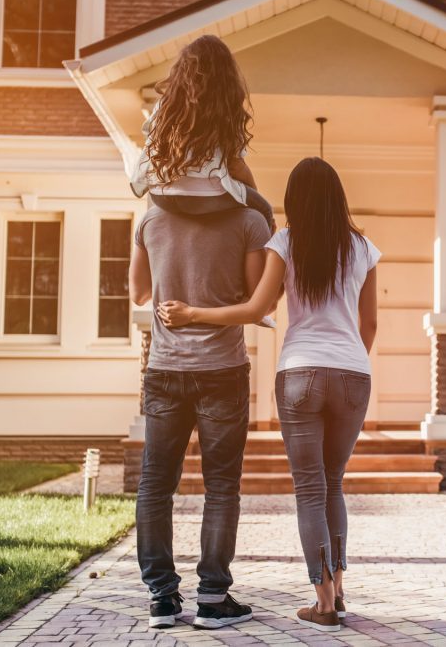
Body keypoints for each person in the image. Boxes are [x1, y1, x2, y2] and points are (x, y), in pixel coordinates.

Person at [158, 157, 380, 633]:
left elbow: (258, 307)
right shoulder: (363, 248)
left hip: (299, 372)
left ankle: (322, 603)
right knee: (334, 483)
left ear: (295, 202)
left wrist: (193, 312)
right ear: (338, 197)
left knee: (310, 489)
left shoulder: (285, 242)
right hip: (353, 374)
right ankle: (338, 592)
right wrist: (349, 364)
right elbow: (371, 325)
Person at [128, 33, 272, 632]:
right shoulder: (248, 219)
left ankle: (162, 598)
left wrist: (172, 301)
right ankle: (214, 598)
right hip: (222, 369)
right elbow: (250, 293)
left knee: (155, 484)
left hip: (164, 368)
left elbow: (138, 293)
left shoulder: (151, 214)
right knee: (222, 486)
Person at [128, 34, 275, 232]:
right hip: (207, 198)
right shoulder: (224, 107)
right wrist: (251, 194)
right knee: (264, 211)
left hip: (163, 197)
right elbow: (235, 165)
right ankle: (267, 261)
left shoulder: (165, 106)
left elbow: (150, 148)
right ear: (225, 75)